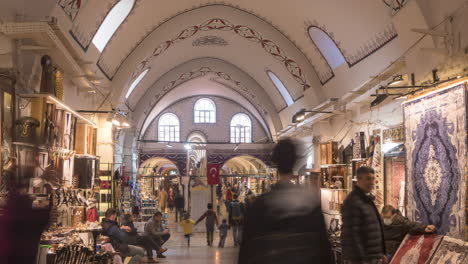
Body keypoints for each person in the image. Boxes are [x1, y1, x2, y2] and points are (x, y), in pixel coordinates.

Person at [239, 139, 333, 264]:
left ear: (275, 162)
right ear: (295, 161)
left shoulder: (259, 206)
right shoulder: (310, 205)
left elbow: (247, 253)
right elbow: (325, 251)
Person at [341, 166, 386, 264]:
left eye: (373, 179)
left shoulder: (367, 199)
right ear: (359, 180)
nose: (371, 182)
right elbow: (352, 234)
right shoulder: (353, 201)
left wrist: (382, 253)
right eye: (368, 179)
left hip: (372, 257)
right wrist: (361, 260)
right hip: (362, 259)